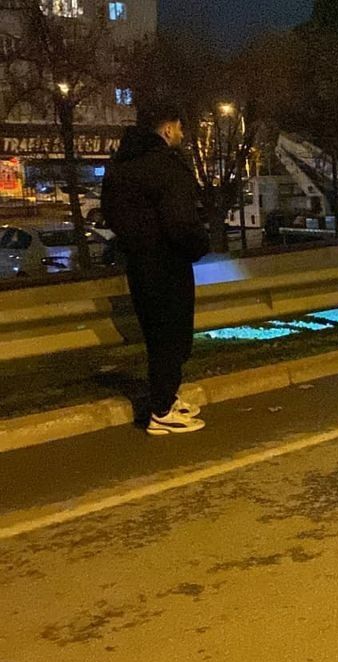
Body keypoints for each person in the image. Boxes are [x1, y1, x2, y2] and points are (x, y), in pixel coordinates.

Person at [101, 104, 211, 435]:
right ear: (167, 129)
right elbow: (181, 221)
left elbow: (110, 212)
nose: (181, 134)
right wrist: (199, 245)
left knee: (157, 336)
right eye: (179, 128)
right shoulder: (165, 166)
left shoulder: (121, 166)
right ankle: (162, 411)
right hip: (168, 263)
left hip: (139, 263)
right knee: (173, 338)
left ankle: (165, 398)